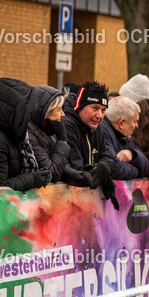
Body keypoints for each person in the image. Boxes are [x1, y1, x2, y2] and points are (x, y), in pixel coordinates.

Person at [0, 77, 54, 192]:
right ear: (14, 111)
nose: (28, 118)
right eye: (26, 112)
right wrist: (32, 179)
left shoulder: (10, 133)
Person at [62, 80, 119, 213]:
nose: (99, 115)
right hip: (65, 206)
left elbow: (108, 158)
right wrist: (101, 173)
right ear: (81, 106)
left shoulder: (97, 128)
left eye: (103, 110)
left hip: (87, 207)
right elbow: (77, 167)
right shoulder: (66, 125)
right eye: (94, 108)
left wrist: (105, 167)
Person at [28, 85, 94, 187]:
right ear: (46, 111)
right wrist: (62, 140)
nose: (63, 114)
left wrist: (76, 176)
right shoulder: (30, 134)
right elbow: (52, 173)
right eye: (59, 110)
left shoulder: (49, 131)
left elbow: (61, 164)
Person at [102, 96, 149, 180]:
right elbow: (115, 170)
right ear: (121, 123)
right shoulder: (103, 133)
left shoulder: (124, 135)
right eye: (134, 121)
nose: (136, 126)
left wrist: (133, 154)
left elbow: (145, 166)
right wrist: (137, 170)